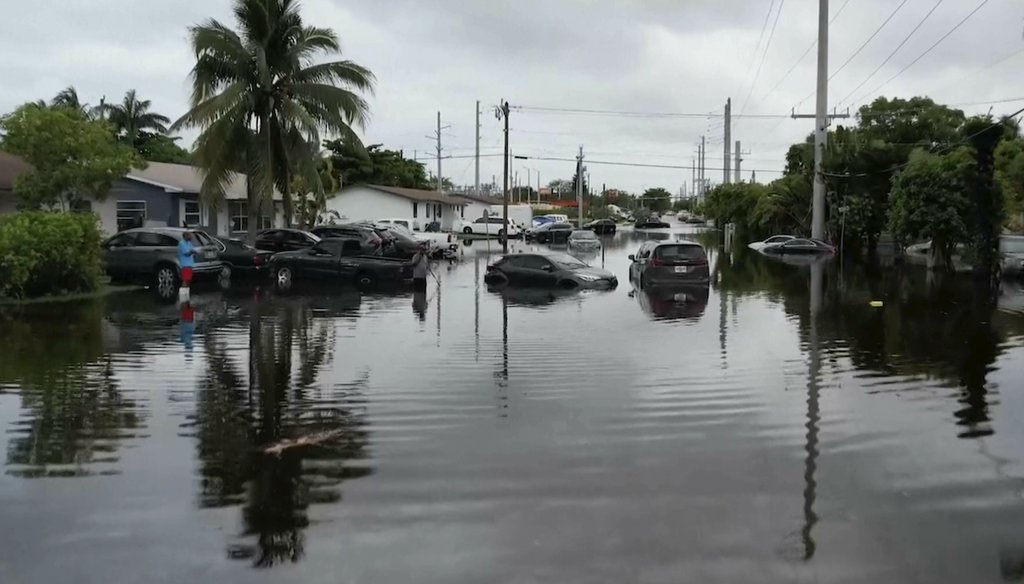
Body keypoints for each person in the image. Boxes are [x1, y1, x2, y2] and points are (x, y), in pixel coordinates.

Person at [178, 231, 198, 299]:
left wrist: (194, 253)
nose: (191, 237)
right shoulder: (181, 243)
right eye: (189, 235)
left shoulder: (189, 243)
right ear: (185, 236)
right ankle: (183, 296)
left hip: (190, 264)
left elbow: (192, 250)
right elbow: (186, 253)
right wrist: (192, 252)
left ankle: (186, 294)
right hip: (185, 264)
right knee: (185, 279)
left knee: (188, 280)